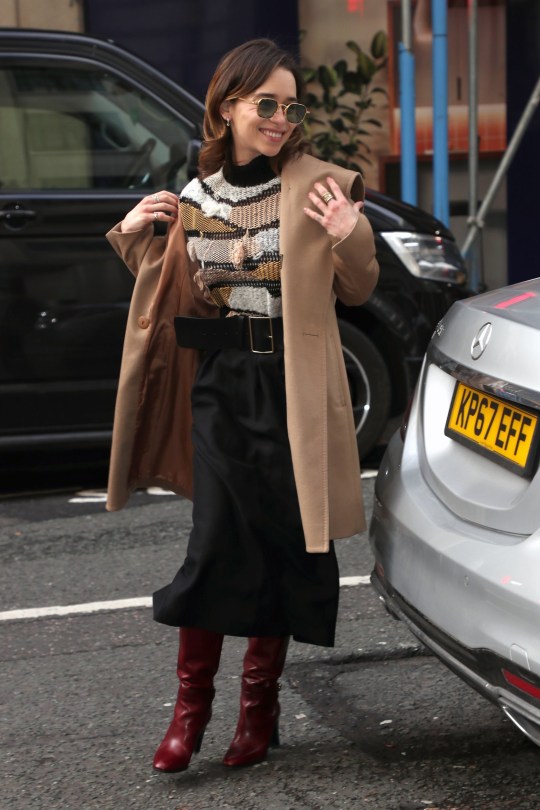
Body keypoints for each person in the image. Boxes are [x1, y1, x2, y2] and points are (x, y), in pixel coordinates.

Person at [105, 38, 379, 774]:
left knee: (282, 548)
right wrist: (131, 237)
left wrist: (351, 236)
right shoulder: (195, 200)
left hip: (293, 387)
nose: (281, 118)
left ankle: (260, 709)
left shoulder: (320, 185)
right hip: (222, 387)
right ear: (228, 107)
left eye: (291, 107)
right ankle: (190, 712)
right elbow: (175, 293)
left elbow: (359, 287)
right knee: (216, 543)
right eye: (267, 104)